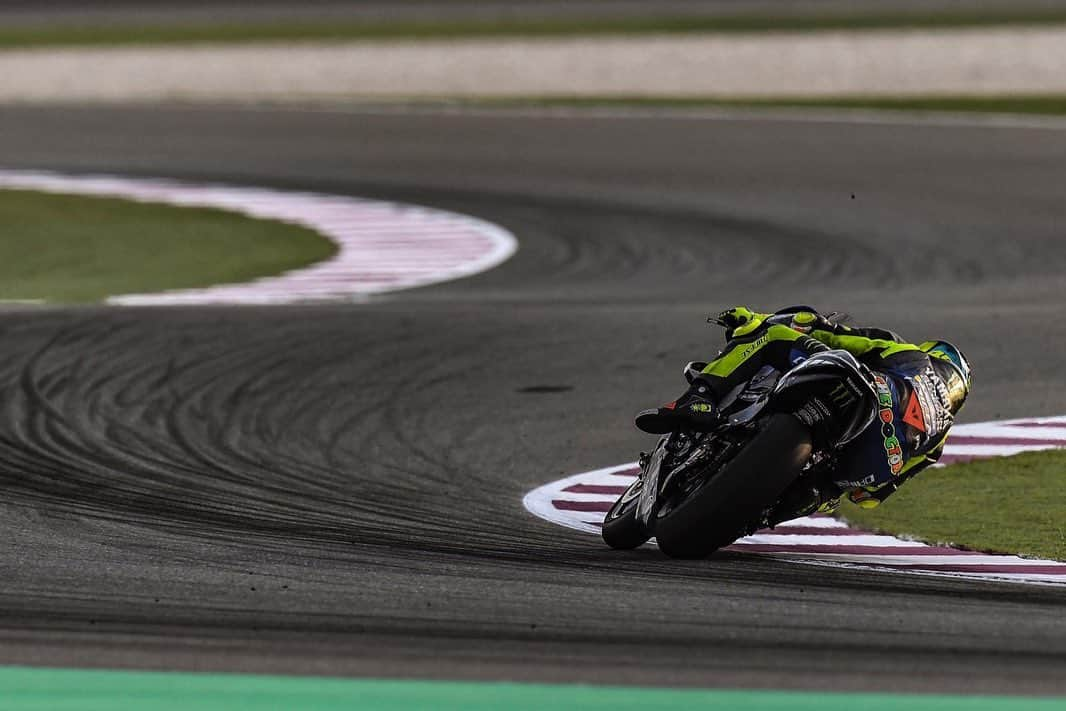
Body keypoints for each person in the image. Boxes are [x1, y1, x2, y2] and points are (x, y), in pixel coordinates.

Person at [635, 306, 971, 516]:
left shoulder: (912, 356)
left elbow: (841, 337)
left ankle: (699, 397)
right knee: (822, 493)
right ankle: (770, 511)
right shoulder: (936, 443)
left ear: (936, 354)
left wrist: (779, 321)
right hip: (866, 462)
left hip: (860, 391)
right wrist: (831, 492)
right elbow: (868, 498)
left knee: (775, 336)